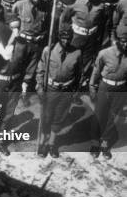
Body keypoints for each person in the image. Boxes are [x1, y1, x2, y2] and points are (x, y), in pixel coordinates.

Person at [36, 24, 82, 158]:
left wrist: (75, 91)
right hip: (51, 89)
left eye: (69, 38)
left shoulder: (77, 53)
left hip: (66, 91)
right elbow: (40, 70)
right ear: (58, 37)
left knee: (59, 118)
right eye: (63, 38)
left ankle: (52, 144)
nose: (66, 41)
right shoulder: (48, 50)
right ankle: (43, 143)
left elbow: (79, 74)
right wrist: (39, 87)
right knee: (47, 117)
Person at [89, 23, 127, 160]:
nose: (126, 44)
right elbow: (96, 71)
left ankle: (105, 144)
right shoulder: (104, 53)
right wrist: (92, 87)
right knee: (99, 116)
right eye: (124, 41)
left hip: (121, 89)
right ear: (117, 41)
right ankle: (94, 144)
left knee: (113, 119)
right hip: (105, 86)